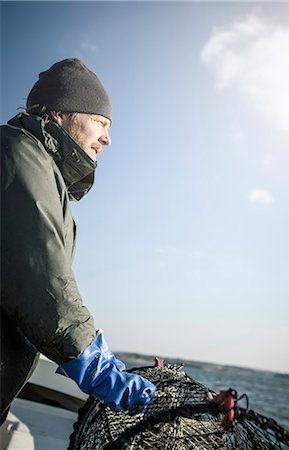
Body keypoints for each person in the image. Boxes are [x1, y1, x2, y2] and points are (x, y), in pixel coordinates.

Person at [0, 58, 156, 424]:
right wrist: (95, 364)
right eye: (100, 121)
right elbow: (41, 279)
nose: (107, 137)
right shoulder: (17, 153)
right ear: (60, 114)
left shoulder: (41, 169)